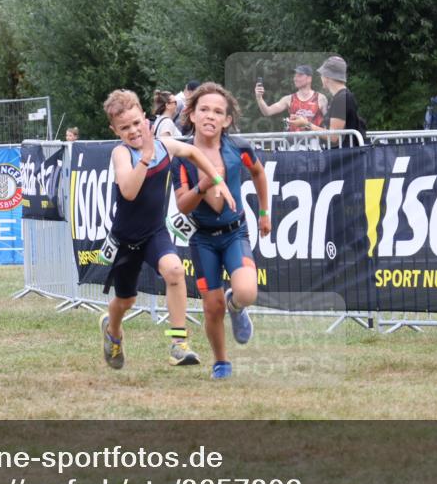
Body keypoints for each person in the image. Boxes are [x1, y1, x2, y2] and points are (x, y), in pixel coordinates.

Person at [100, 89, 236, 371]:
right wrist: (145, 157)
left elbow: (193, 151)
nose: (133, 131)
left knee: (175, 270)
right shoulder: (121, 153)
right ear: (115, 130)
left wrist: (216, 179)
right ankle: (112, 331)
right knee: (126, 300)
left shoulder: (164, 145)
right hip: (126, 240)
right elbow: (128, 191)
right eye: (124, 128)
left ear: (146, 119)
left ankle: (178, 343)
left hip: (154, 233)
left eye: (137, 123)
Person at [170, 83, 271, 379]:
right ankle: (221, 362)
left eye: (218, 111)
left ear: (227, 119)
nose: (210, 116)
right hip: (202, 239)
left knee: (246, 291)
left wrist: (264, 212)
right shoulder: (182, 156)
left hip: (235, 233)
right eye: (204, 110)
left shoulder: (239, 149)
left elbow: (259, 174)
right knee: (212, 307)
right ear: (191, 115)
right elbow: (183, 206)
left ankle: (236, 306)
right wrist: (206, 184)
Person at [288, 55, 366, 147]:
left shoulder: (341, 99)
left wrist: (306, 124)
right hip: (344, 156)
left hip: (343, 158)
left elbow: (334, 137)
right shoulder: (342, 96)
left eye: (322, 74)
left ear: (327, 76)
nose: (321, 77)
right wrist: (304, 123)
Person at [254, 65, 328, 131]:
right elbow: (267, 112)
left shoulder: (320, 98)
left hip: (315, 143)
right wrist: (259, 97)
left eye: (299, 75)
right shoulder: (288, 99)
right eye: (295, 76)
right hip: (294, 143)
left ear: (309, 79)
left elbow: (329, 125)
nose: (295, 78)